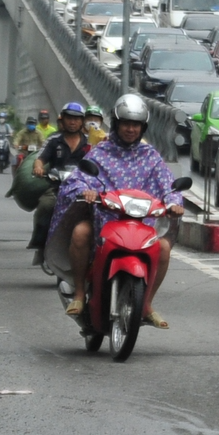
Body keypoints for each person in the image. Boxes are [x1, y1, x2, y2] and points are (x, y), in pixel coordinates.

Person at [54, 94, 184, 328]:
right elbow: (78, 179)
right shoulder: (100, 152)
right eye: (126, 123)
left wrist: (174, 202)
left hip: (141, 224)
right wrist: (86, 191)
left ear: (143, 127)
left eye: (136, 125)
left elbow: (168, 184)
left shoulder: (151, 156)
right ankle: (79, 294)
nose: (131, 129)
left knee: (163, 247)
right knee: (80, 233)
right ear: (116, 124)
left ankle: (146, 305)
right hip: (102, 221)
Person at [27, 103, 89, 260]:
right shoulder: (54, 140)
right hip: (56, 186)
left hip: (83, 189)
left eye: (76, 119)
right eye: (69, 118)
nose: (72, 122)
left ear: (82, 122)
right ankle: (41, 245)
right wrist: (38, 168)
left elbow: (100, 163)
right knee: (45, 206)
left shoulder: (90, 142)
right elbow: (40, 159)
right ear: (62, 120)